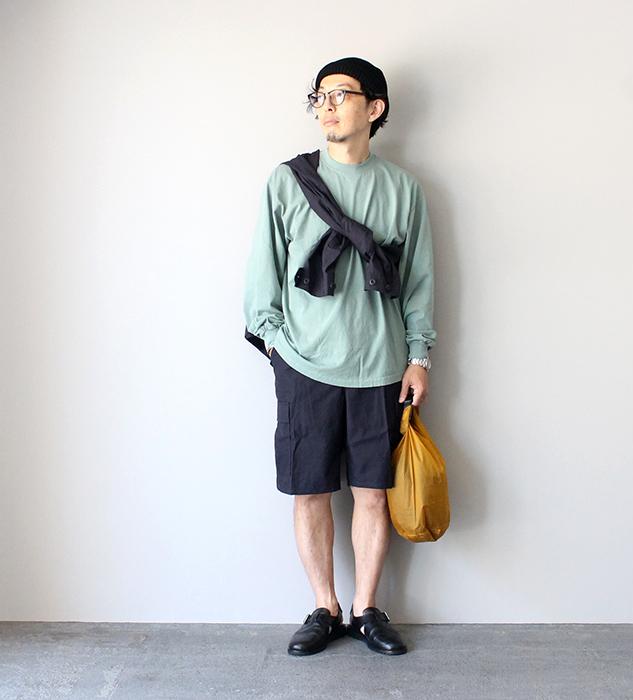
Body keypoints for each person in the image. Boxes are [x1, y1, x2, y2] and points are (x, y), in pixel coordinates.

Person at [243, 56, 436, 656]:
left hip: (381, 364)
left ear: (374, 108)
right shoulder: (287, 181)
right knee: (310, 490)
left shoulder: (403, 189)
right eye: (319, 96)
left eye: (340, 94)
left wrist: (419, 356)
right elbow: (262, 276)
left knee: (373, 492)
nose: (325, 106)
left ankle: (366, 609)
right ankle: (323, 607)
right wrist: (278, 345)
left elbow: (420, 280)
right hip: (305, 364)